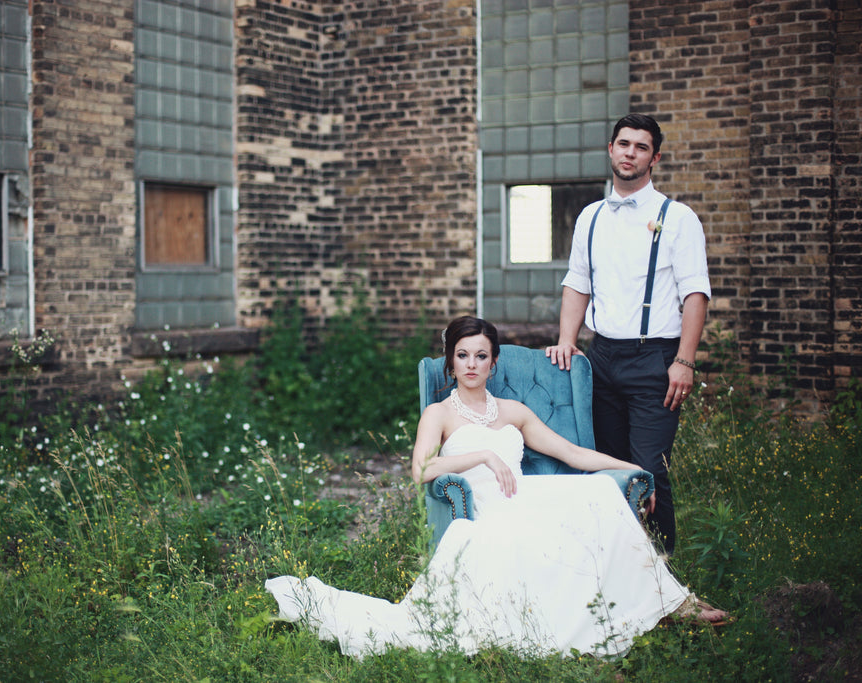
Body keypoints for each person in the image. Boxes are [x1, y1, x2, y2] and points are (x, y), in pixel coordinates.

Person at [266, 316, 724, 660]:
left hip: (526, 497)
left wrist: (633, 468)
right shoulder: (439, 415)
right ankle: (664, 604)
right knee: (586, 502)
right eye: (463, 355)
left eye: (481, 356)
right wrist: (482, 456)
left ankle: (668, 601)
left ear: (493, 362)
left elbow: (575, 456)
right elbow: (421, 469)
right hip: (486, 505)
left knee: (602, 490)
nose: (471, 364)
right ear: (450, 361)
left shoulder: (513, 411)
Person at [546, 113, 711, 555]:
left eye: (641, 147)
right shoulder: (591, 217)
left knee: (649, 469)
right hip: (601, 357)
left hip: (654, 359)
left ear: (654, 158)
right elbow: (577, 282)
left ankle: (663, 572)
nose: (630, 153)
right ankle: (620, 562)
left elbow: (696, 293)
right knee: (607, 465)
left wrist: (684, 360)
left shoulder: (677, 218)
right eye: (624, 144)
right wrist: (568, 340)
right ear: (611, 149)